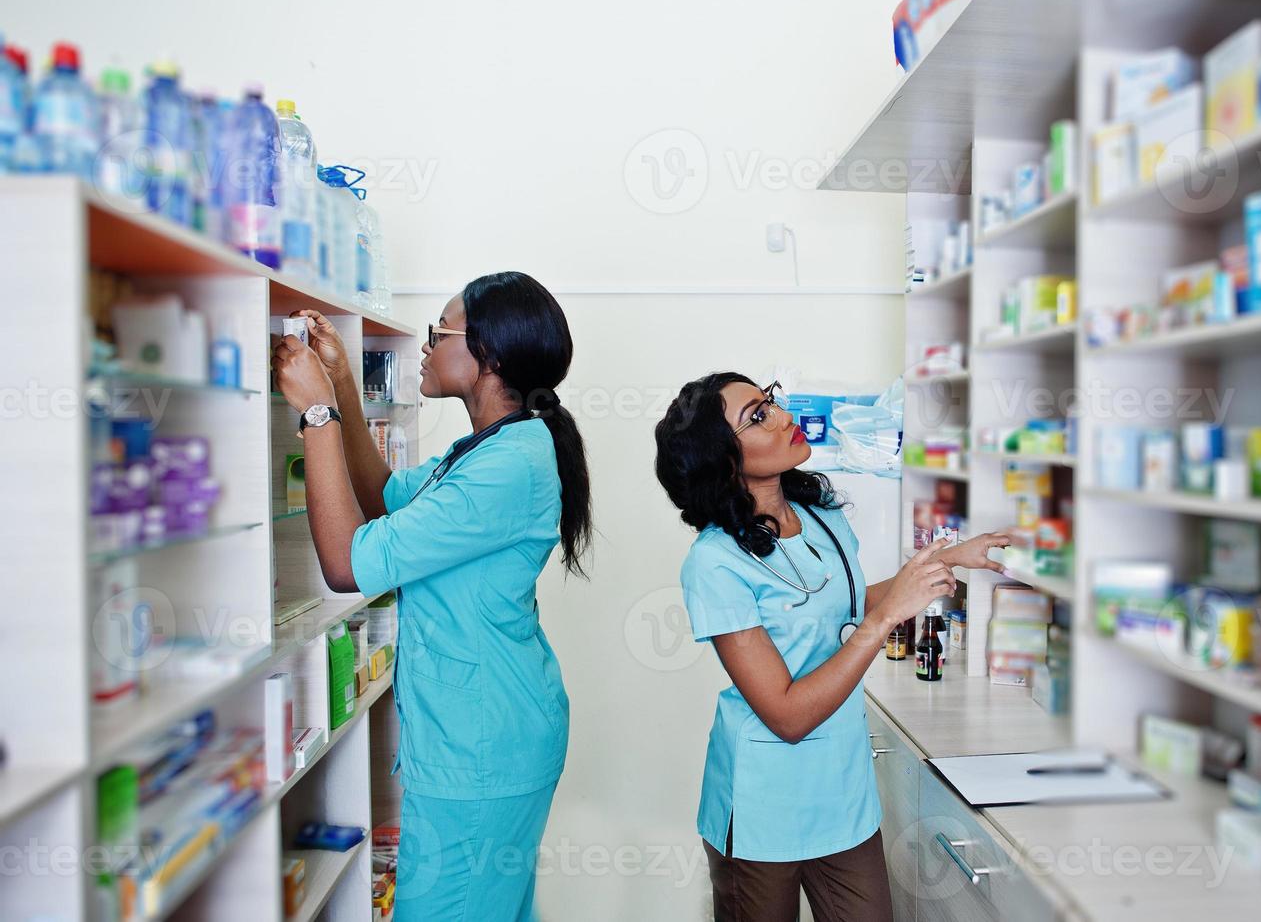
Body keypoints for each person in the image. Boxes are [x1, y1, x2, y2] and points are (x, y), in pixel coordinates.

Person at [271, 271, 592, 921]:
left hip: (481, 749)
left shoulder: (509, 464)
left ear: (488, 356)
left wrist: (317, 416)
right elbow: (384, 498)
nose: (424, 347)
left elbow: (344, 563)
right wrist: (341, 392)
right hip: (483, 733)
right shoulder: (488, 448)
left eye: (438, 334)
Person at [653, 373, 1015, 922]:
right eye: (756, 416)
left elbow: (850, 605)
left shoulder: (821, 514)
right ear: (723, 459)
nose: (779, 415)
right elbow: (787, 715)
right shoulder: (715, 562)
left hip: (843, 794)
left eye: (769, 401)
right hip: (762, 805)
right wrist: (890, 616)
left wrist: (948, 560)